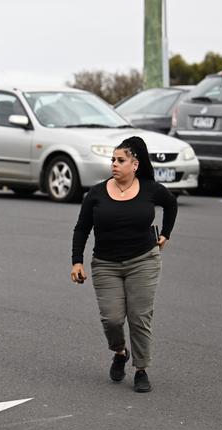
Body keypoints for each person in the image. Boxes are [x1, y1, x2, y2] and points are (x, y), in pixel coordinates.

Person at [71, 136, 178, 393]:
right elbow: (82, 228)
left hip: (143, 261)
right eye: (112, 160)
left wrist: (166, 234)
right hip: (105, 264)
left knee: (140, 317)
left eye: (120, 160)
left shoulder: (150, 189)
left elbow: (171, 204)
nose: (114, 165)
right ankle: (120, 352)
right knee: (112, 319)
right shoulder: (96, 194)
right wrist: (76, 261)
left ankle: (141, 370)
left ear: (135, 164)